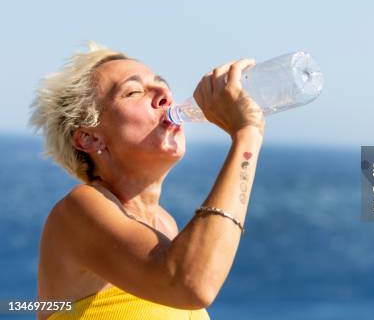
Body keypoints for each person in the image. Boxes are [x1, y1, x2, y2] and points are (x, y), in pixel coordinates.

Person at [30, 42, 265, 319]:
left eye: (161, 84)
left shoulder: (166, 226)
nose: (164, 93)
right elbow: (189, 284)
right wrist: (247, 134)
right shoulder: (79, 209)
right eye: (134, 91)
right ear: (90, 138)